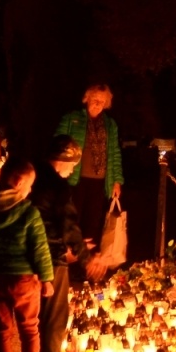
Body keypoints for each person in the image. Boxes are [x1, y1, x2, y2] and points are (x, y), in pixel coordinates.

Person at [0, 157, 53, 352]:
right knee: (29, 329)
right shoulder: (29, 213)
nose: (31, 190)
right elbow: (40, 248)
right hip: (24, 280)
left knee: (2, 331)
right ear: (18, 182)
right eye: (30, 185)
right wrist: (46, 278)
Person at [32, 136, 87, 352]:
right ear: (63, 160)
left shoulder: (32, 176)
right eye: (73, 164)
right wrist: (85, 255)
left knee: (32, 314)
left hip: (27, 254)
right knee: (55, 314)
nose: (73, 169)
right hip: (52, 255)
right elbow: (68, 224)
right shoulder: (57, 185)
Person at [53, 83, 124, 257]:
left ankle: (86, 264)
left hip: (99, 182)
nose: (98, 103)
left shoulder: (110, 125)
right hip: (75, 179)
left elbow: (114, 153)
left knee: (92, 225)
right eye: (95, 99)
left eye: (102, 100)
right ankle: (68, 261)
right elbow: (57, 145)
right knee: (72, 221)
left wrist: (116, 180)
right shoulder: (72, 118)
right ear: (87, 99)